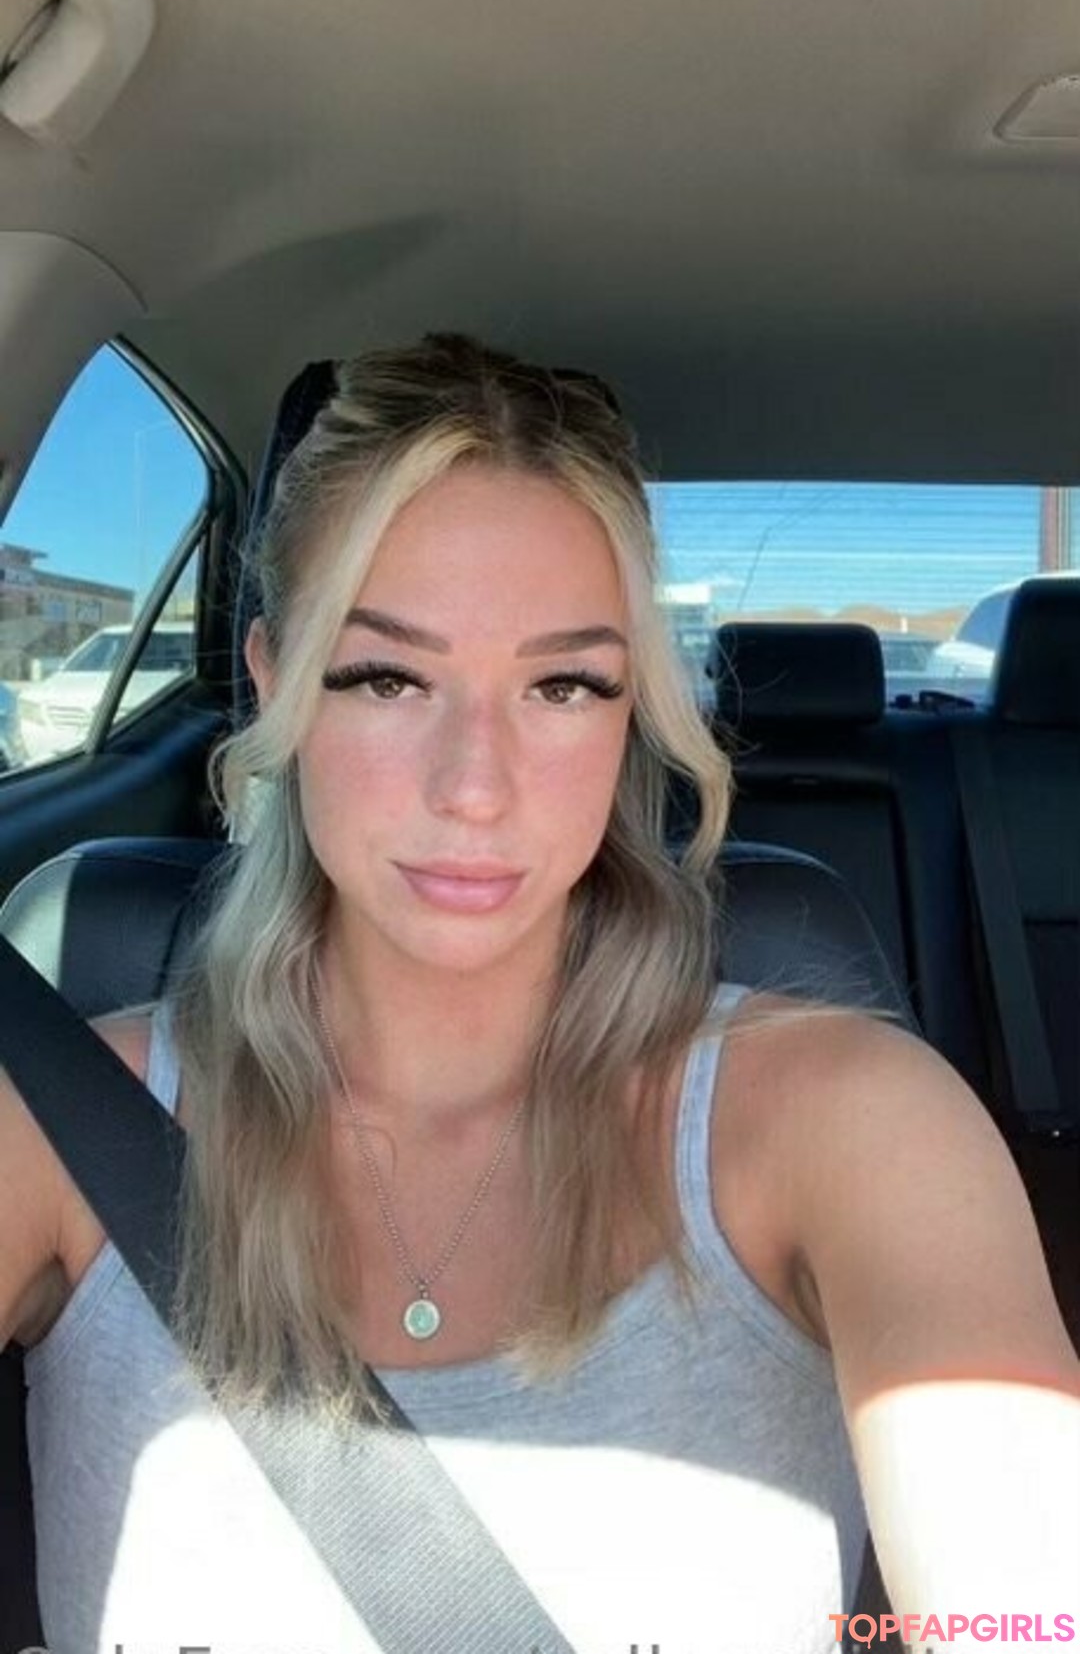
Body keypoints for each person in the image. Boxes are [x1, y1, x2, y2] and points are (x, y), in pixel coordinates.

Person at [2, 333, 1077, 1654]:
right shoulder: (61, 1123)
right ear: (278, 686)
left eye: (563, 684)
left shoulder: (855, 1124)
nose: (475, 785)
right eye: (388, 675)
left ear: (632, 712)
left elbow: (1028, 1603)